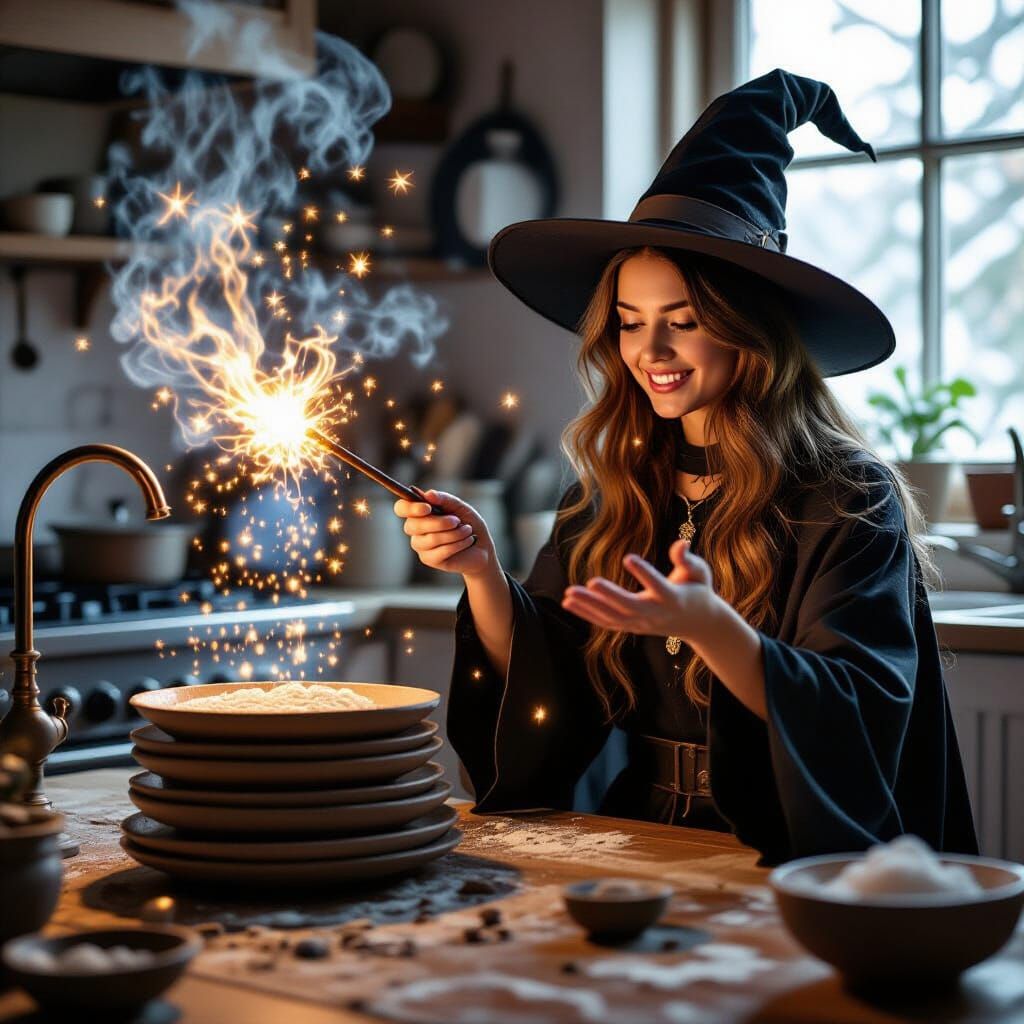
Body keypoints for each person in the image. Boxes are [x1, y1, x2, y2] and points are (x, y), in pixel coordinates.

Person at [393, 70, 978, 866]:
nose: (650, 353)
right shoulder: (606, 493)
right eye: (631, 324)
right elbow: (547, 684)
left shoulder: (845, 498)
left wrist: (715, 630)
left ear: (749, 331)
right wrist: (482, 573)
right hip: (634, 839)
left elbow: (861, 713)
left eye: (684, 321)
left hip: (788, 855)